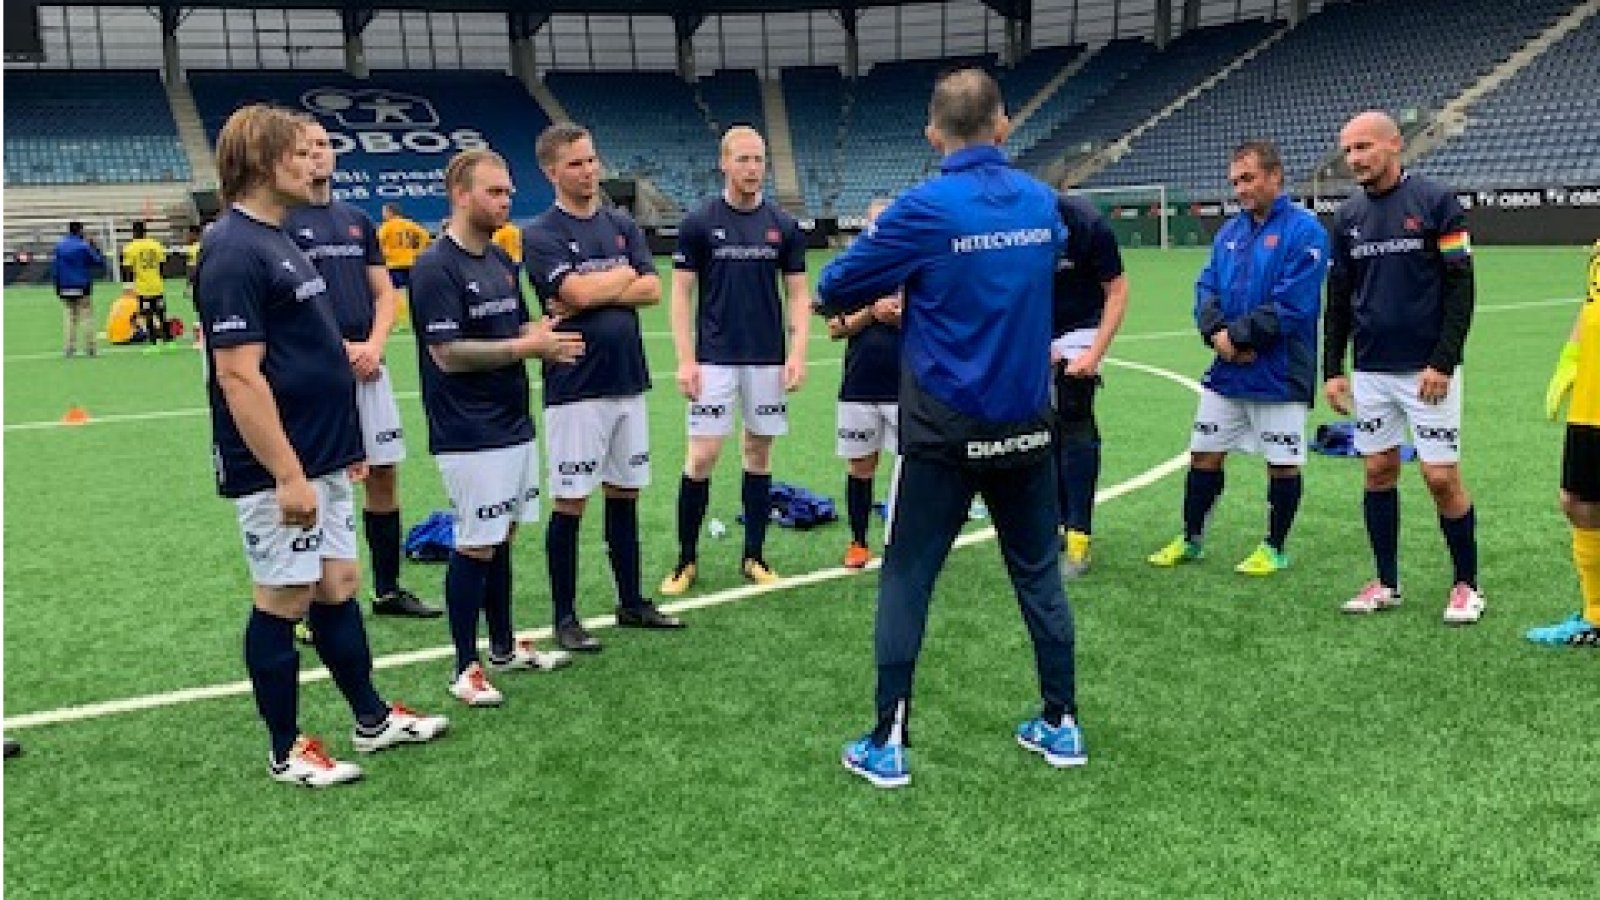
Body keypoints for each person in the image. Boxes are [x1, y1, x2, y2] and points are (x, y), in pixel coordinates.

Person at [816, 68, 1082, 788]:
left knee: (907, 577)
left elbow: (834, 288)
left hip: (942, 432)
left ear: (933, 134)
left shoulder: (922, 209)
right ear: (1003, 125)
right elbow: (1054, 252)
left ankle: (888, 741)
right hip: (1026, 425)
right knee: (1039, 575)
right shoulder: (1039, 201)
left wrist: (903, 274)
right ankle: (1061, 722)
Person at [197, 104, 447, 787]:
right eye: (299, 154)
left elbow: (308, 351)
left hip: (323, 452)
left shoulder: (277, 235)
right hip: (279, 465)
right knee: (283, 597)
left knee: (338, 585)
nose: (315, 163)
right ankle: (286, 750)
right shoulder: (232, 248)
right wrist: (288, 473)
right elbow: (239, 376)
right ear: (262, 163)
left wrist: (341, 445)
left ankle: (371, 719)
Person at [409, 148, 583, 707]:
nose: (507, 201)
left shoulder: (502, 259)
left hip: (512, 421)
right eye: (494, 192)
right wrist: (526, 348)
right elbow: (447, 353)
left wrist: (544, 333)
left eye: (508, 191)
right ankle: (465, 666)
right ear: (461, 195)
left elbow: (516, 328)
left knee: (502, 533)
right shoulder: (436, 266)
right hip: (468, 429)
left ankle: (504, 647)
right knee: (476, 541)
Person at [523, 123, 684, 652]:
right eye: (575, 164)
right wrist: (619, 278)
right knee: (571, 500)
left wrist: (596, 289)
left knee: (625, 491)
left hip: (627, 377)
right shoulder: (541, 233)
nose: (588, 171)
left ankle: (631, 600)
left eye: (592, 160)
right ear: (551, 171)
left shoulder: (621, 223)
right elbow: (574, 294)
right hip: (576, 383)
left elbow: (653, 288)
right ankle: (565, 616)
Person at [1324, 110, 1485, 624]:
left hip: (1427, 372)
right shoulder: (1347, 216)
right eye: (1348, 150)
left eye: (1363, 147)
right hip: (1371, 370)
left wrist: (1443, 361)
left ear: (1394, 144)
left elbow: (1461, 287)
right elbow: (1339, 297)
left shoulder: (1436, 202)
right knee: (1377, 471)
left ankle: (1467, 585)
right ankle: (1386, 583)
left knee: (1440, 478)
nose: (1354, 159)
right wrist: (1333, 368)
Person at [1146, 140, 1328, 575]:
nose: (1240, 189)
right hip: (1228, 368)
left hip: (1280, 370)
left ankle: (1274, 547)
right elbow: (1206, 288)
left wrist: (1240, 336)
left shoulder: (1306, 231)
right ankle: (1191, 538)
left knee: (1281, 464)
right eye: (1234, 182)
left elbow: (1294, 303)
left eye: (1248, 179)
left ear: (1275, 176)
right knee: (1204, 453)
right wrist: (1216, 335)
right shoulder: (1230, 232)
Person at [286, 121, 442, 622]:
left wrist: (373, 345)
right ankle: (312, 600)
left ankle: (388, 589)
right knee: (319, 482)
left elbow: (385, 294)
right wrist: (338, 351)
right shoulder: (282, 222)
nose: (317, 155)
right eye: (306, 148)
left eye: (324, 146)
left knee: (383, 474)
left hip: (369, 368)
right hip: (316, 373)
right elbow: (286, 307)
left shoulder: (356, 220)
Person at [659, 125, 812, 596]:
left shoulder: (783, 225)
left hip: (766, 359)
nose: (752, 168)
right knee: (702, 455)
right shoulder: (699, 222)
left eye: (759, 159)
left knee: (759, 453)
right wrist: (685, 359)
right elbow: (680, 294)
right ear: (724, 163)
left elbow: (798, 294)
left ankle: (754, 555)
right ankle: (686, 560)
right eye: (743, 159)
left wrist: (797, 352)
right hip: (714, 359)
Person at [1050, 191, 1130, 577]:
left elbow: (1116, 290)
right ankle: (1053, 522)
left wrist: (1093, 354)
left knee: (1073, 410)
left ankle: (1079, 534)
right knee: (1038, 427)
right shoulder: (1009, 228)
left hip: (1082, 326)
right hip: (1035, 325)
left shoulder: (1087, 223)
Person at [1527, 240, 1600, 645]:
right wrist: (1569, 360)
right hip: (1591, 400)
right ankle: (1595, 616)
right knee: (1579, 502)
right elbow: (1590, 307)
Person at [826, 198, 903, 570]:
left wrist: (900, 317)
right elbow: (834, 329)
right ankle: (858, 542)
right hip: (859, 384)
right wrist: (871, 313)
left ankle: (906, 541)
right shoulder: (854, 272)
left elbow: (939, 322)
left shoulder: (915, 266)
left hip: (907, 385)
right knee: (860, 467)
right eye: (877, 224)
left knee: (913, 468)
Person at [51, 221, 104, 357]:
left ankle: (69, 348)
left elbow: (55, 268)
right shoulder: (83, 246)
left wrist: (57, 286)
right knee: (87, 317)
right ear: (80, 230)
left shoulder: (60, 246)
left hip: (64, 286)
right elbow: (97, 261)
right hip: (82, 286)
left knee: (70, 317)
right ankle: (90, 348)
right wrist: (95, 247)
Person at [122, 221, 173, 351]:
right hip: (157, 286)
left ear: (133, 232)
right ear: (145, 231)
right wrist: (159, 277)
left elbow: (128, 269)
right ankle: (169, 342)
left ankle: (154, 344)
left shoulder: (130, 248)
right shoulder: (156, 245)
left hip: (143, 288)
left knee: (148, 316)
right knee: (161, 314)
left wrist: (128, 286)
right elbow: (163, 265)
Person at [377, 202, 431, 290]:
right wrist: (418, 251)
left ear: (390, 212)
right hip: (410, 262)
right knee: (412, 289)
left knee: (395, 290)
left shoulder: (387, 226)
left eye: (384, 212)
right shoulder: (411, 224)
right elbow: (425, 236)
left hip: (394, 263)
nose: (383, 215)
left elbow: (377, 241)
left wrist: (384, 253)